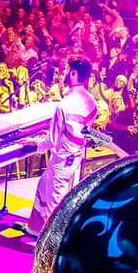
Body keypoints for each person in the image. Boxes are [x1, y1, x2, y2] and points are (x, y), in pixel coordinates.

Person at [26, 58, 96, 239]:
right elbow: (81, 130)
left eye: (66, 70)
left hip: (62, 158)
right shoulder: (91, 102)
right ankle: (35, 229)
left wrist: (35, 142)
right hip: (75, 155)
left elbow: (50, 141)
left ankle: (52, 242)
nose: (62, 73)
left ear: (73, 74)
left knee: (54, 203)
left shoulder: (64, 105)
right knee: (43, 185)